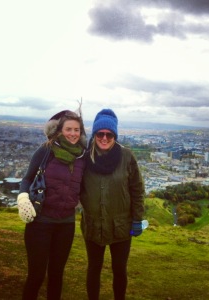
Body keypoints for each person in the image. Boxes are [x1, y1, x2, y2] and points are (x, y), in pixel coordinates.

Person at [17, 105, 87, 300]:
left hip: (66, 224)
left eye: (76, 130)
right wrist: (23, 197)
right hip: (40, 222)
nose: (73, 133)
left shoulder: (82, 156)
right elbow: (27, 179)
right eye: (68, 129)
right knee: (36, 276)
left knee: (57, 276)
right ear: (60, 131)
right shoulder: (46, 151)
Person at [80, 108, 145, 300]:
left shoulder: (127, 157)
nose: (105, 138)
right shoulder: (84, 158)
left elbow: (137, 190)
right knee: (94, 268)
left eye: (109, 134)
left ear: (115, 135)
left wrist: (137, 219)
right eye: (100, 133)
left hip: (121, 226)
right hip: (93, 224)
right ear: (95, 135)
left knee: (119, 269)